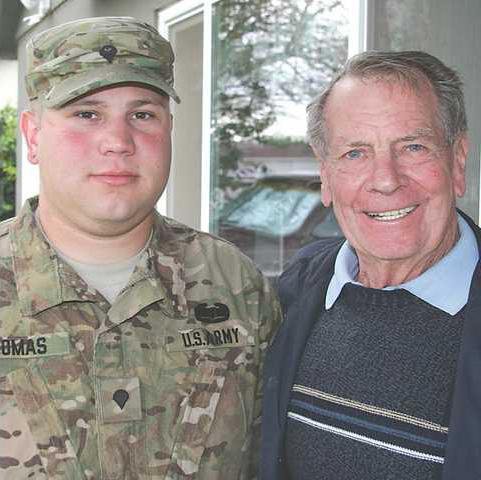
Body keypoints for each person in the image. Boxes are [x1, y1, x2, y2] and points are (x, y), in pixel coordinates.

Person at [0, 16, 281, 479]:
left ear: (169, 129)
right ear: (33, 136)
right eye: (86, 114)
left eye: (142, 114)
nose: (118, 142)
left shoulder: (235, 285)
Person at [261, 50, 481, 480]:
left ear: (457, 160)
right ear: (326, 176)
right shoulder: (294, 293)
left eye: (413, 147)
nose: (386, 179)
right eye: (355, 154)